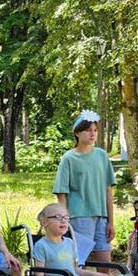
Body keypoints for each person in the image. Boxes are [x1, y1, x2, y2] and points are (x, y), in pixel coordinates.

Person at [53, 110, 116, 265]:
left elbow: (108, 190)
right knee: (79, 262)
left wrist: (111, 221)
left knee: (105, 263)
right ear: (77, 133)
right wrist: (64, 220)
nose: (92, 134)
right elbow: (62, 194)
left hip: (102, 217)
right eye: (88, 130)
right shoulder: (69, 158)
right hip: (79, 217)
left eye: (95, 130)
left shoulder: (102, 156)